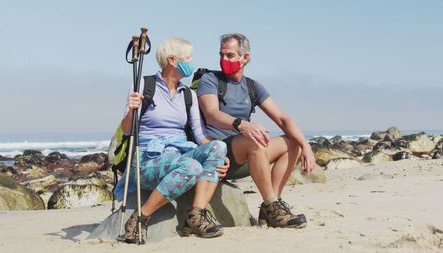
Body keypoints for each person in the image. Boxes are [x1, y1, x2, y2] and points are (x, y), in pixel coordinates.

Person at [114, 37, 229, 243]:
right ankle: (139, 218)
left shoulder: (188, 94)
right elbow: (126, 129)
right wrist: (132, 110)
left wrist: (219, 155)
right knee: (192, 167)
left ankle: (196, 215)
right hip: (147, 161)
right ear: (173, 60)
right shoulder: (143, 84)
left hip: (178, 154)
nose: (191, 61)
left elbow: (200, 135)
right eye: (188, 57)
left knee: (219, 146)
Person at [197, 33, 316, 229]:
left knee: (292, 142)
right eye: (221, 55)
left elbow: (282, 118)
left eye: (230, 55)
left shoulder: (252, 86)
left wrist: (306, 145)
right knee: (254, 140)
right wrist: (242, 125)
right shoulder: (210, 80)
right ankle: (272, 205)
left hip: (247, 156)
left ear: (245, 58)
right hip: (220, 154)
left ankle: (272, 206)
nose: (223, 60)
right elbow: (211, 113)